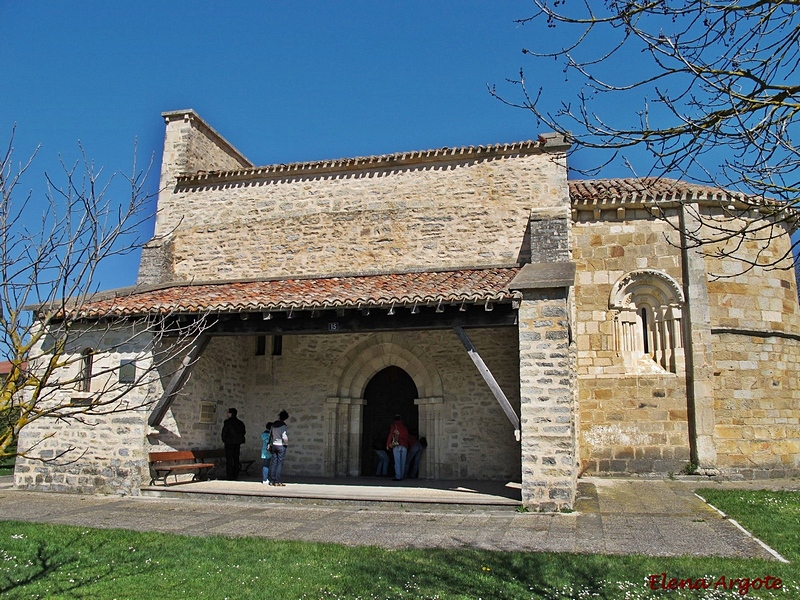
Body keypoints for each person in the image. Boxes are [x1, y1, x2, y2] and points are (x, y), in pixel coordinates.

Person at [221, 407, 246, 480]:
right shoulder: (240, 423)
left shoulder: (227, 422)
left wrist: (225, 439)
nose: (227, 414)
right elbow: (243, 432)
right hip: (237, 443)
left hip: (229, 443)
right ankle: (235, 474)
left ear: (231, 414)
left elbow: (224, 432)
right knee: (236, 459)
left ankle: (230, 475)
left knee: (229, 459)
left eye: (228, 413)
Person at [386, 414, 409, 481]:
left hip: (397, 445)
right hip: (404, 445)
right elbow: (407, 437)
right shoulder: (404, 427)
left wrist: (388, 444)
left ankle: (398, 477)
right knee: (403, 462)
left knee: (397, 462)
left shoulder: (394, 426)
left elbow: (390, 435)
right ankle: (402, 476)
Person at [268, 410, 289, 486]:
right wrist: (286, 443)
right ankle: (277, 480)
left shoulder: (274, 425)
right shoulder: (283, 426)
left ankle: (272, 480)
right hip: (281, 445)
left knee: (274, 462)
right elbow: (284, 436)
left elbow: (271, 435)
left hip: (274, 444)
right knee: (280, 463)